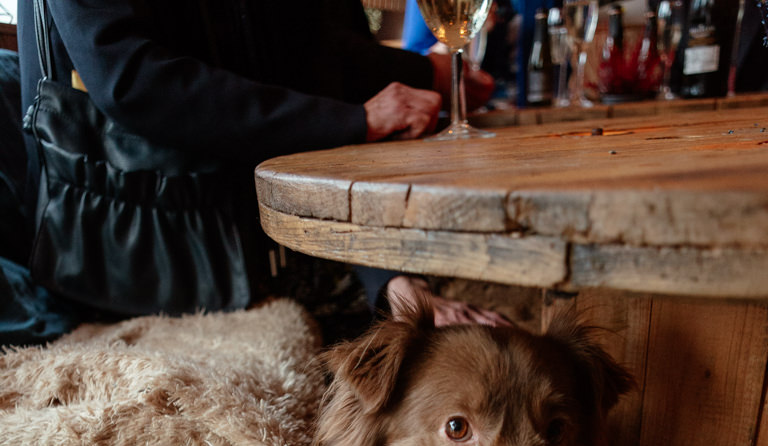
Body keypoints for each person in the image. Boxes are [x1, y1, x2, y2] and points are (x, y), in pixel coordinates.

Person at [15, 0, 505, 326]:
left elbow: (302, 53)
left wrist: (426, 74)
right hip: (135, 253)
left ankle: (391, 285)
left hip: (263, 225)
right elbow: (133, 81)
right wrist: (355, 121)